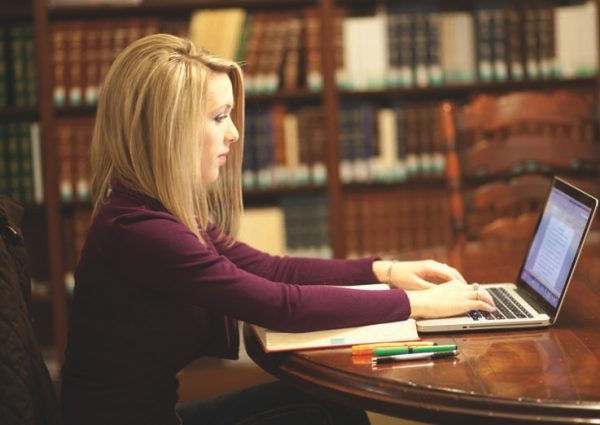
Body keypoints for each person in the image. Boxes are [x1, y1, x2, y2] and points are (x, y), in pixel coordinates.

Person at [60, 34, 496, 425]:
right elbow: (276, 304)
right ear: (167, 130)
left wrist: (386, 271)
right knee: (329, 411)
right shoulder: (142, 230)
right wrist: (416, 306)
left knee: (328, 405)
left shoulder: (152, 211)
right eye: (218, 117)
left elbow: (274, 271)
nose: (233, 133)